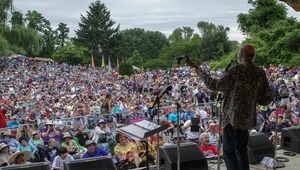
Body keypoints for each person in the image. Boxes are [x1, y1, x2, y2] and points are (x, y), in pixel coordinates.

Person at [187, 44, 273, 170]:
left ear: (241, 55)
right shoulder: (259, 72)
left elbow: (215, 85)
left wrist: (200, 72)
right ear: (253, 56)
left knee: (228, 151)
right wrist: (252, 99)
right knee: (242, 150)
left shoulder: (237, 69)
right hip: (247, 118)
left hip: (232, 117)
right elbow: (266, 98)